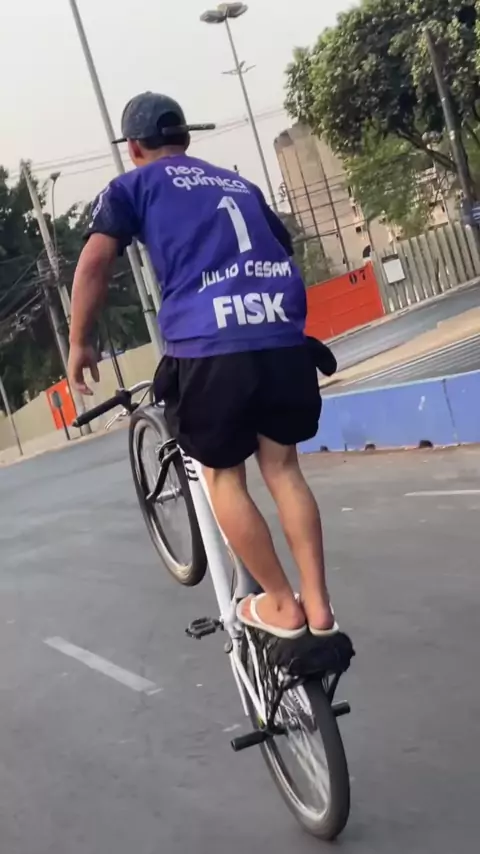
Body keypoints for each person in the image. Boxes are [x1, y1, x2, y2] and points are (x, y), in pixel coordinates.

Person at [68, 91, 338, 640]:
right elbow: (282, 248)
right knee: (283, 470)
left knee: (222, 477)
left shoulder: (132, 186)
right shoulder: (238, 184)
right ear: (185, 138)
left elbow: (94, 263)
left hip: (209, 345)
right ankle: (319, 604)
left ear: (135, 148)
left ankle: (281, 605)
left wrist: (79, 342)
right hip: (280, 336)